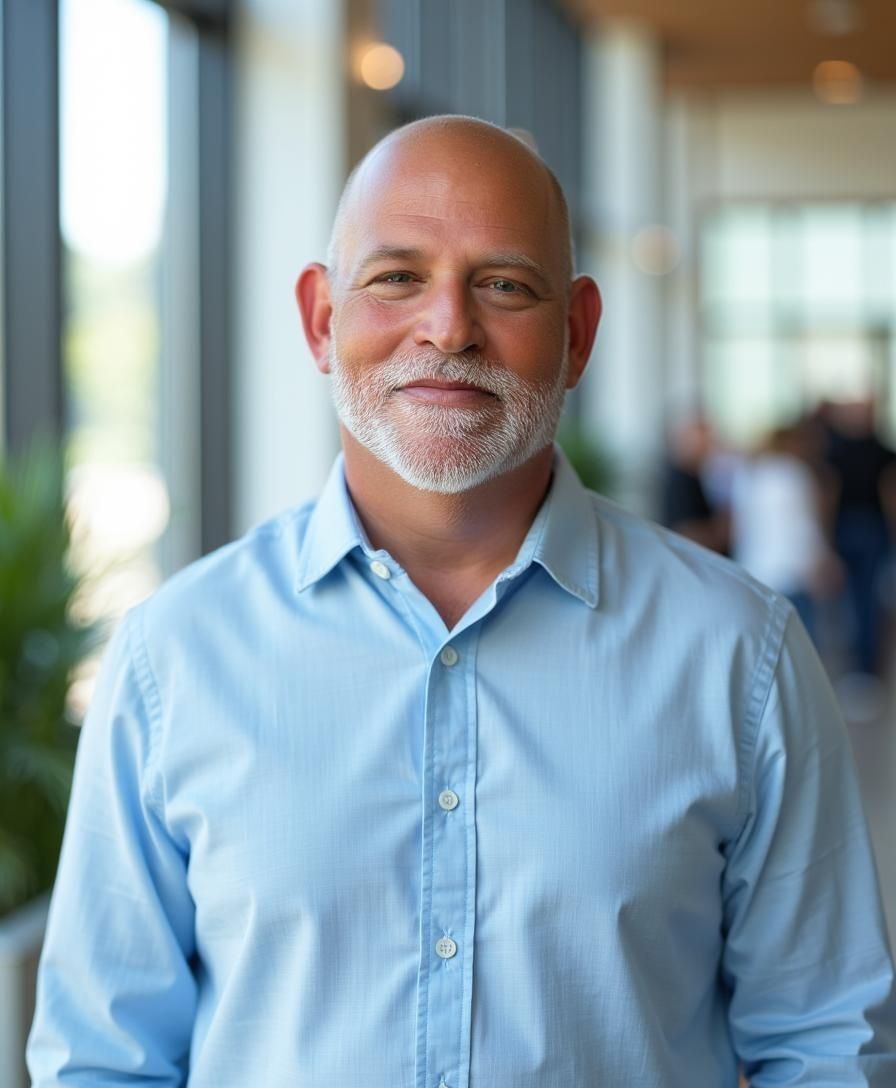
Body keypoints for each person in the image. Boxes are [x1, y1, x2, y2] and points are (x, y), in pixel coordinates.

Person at [28, 116, 895, 1086]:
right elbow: (104, 1061)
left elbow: (826, 1046)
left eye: (502, 283)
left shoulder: (741, 652)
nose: (446, 325)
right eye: (396, 276)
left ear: (574, 336)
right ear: (320, 319)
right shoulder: (175, 655)